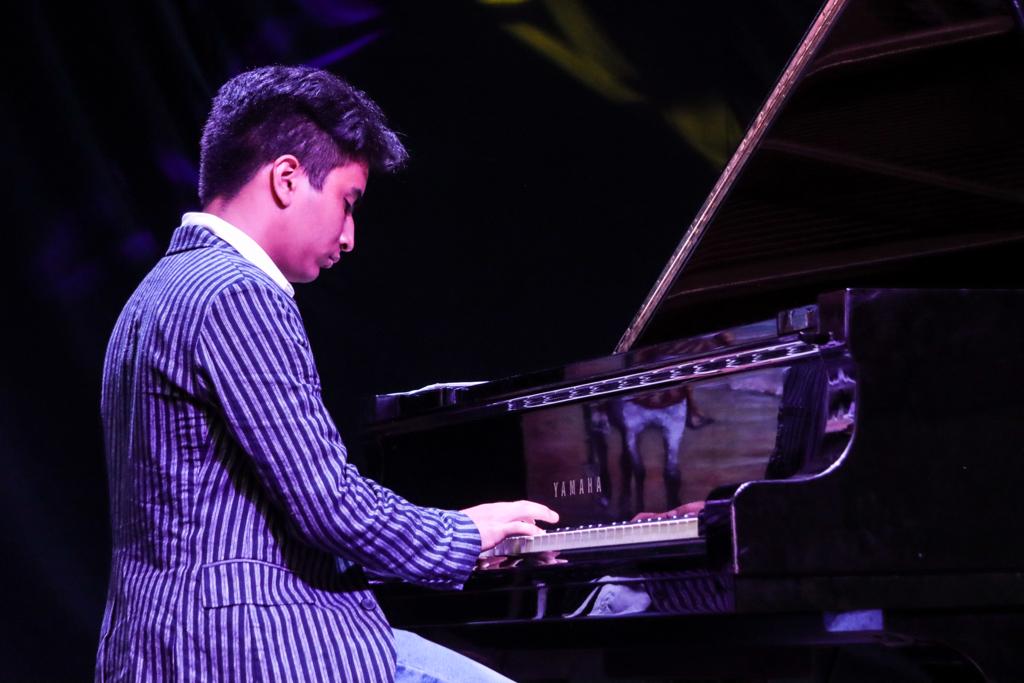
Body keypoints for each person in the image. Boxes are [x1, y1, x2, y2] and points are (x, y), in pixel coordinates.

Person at [96, 64, 557, 683]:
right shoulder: (238, 293)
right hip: (248, 648)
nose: (350, 236)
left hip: (156, 644)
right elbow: (327, 504)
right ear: (287, 178)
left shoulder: (152, 295)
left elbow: (243, 524)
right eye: (348, 202)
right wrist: (462, 535)